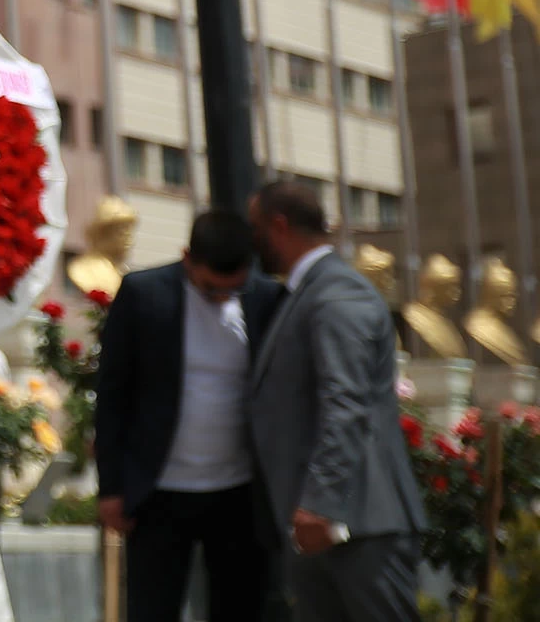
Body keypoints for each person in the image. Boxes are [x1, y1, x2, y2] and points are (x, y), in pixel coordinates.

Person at [92, 208, 285, 622]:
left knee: (241, 608)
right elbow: (113, 394)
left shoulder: (266, 298)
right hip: (159, 489)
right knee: (153, 609)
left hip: (240, 492)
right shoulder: (144, 294)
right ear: (187, 259)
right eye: (212, 289)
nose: (223, 299)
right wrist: (111, 486)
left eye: (233, 291)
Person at [247, 179, 423, 622]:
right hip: (323, 526)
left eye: (255, 228)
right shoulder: (307, 294)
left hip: (354, 525)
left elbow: (346, 401)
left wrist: (321, 502)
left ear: (279, 226)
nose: (252, 243)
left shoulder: (336, 293)